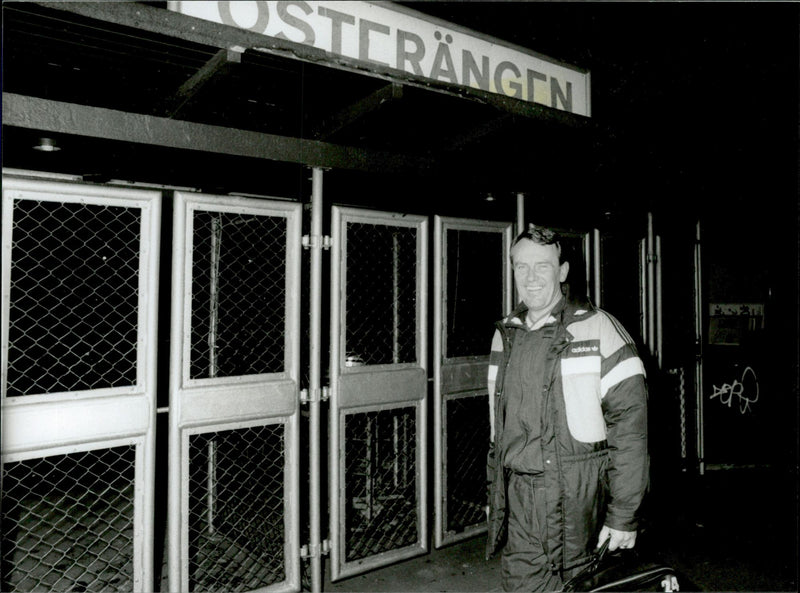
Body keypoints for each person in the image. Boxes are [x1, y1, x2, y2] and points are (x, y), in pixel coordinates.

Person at [486, 224, 649, 591]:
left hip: (580, 503)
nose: (530, 277)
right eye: (521, 266)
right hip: (522, 500)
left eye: (542, 266)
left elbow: (631, 429)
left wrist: (623, 515)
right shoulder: (504, 336)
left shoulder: (599, 329)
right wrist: (495, 497)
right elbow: (499, 432)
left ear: (562, 272)